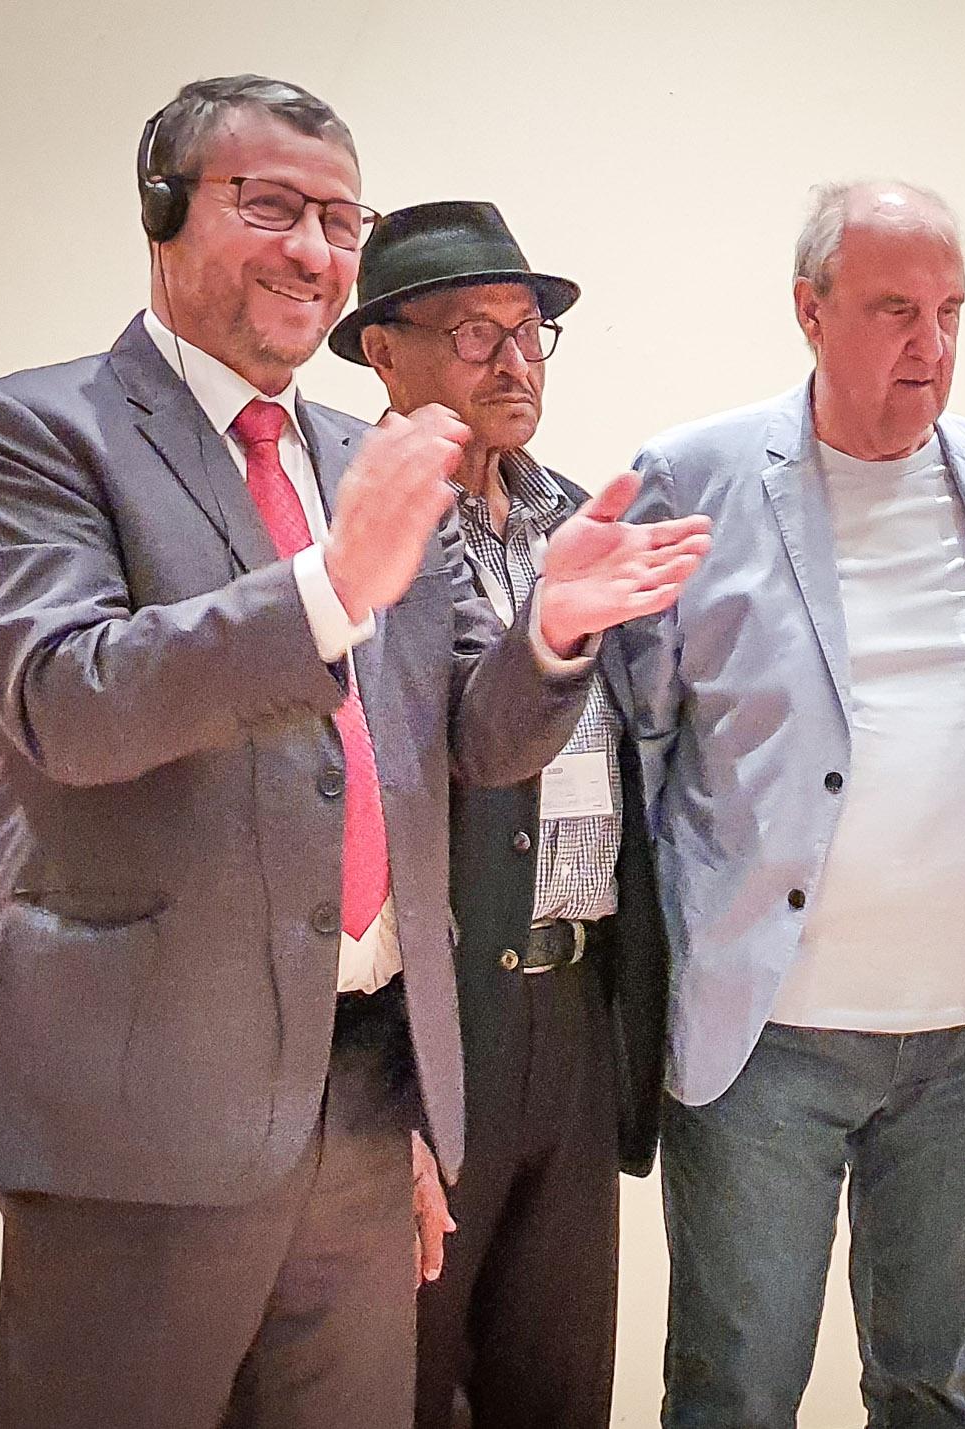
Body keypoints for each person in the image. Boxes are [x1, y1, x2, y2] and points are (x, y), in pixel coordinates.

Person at [0, 75, 709, 1429]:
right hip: (138, 1103)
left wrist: (551, 632)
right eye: (269, 205)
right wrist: (328, 587)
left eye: (339, 220)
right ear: (163, 213)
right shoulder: (31, 432)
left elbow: (469, 742)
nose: (311, 248)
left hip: (361, 1095)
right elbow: (64, 700)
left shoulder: (369, 458)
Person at [609, 180, 965, 1429]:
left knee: (935, 1386)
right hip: (768, 1032)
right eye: (892, 310)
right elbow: (636, 749)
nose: (930, 345)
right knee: (734, 1388)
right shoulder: (691, 476)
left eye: (949, 310)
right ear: (808, 311)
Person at [329, 200, 670, 1429]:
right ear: (383, 352)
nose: (514, 361)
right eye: (475, 332)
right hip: (433, 1013)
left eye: (529, 331)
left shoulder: (579, 518)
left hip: (575, 1004)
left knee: (558, 1378)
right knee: (408, 1375)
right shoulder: (344, 530)